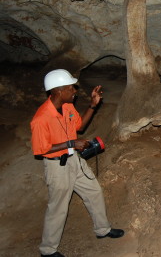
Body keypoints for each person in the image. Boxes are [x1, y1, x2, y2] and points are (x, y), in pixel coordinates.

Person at [30, 69, 124, 257]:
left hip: (75, 161)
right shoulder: (41, 119)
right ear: (58, 91)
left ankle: (102, 229)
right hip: (57, 166)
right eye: (70, 87)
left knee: (94, 191)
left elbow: (79, 126)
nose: (75, 90)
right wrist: (71, 143)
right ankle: (48, 250)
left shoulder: (67, 107)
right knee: (58, 208)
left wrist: (92, 105)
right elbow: (41, 150)